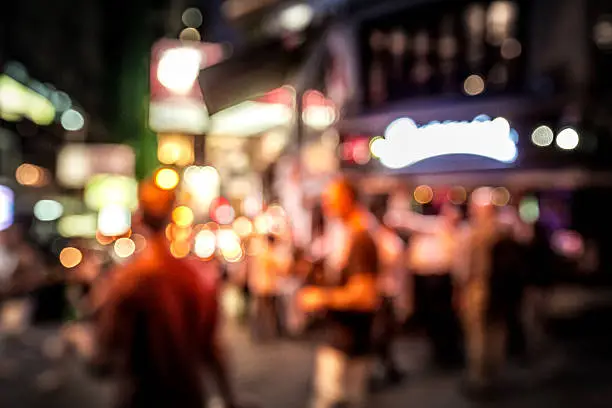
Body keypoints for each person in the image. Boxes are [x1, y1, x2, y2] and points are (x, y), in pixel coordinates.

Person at [89, 178, 246, 408]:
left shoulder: (125, 281)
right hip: (188, 397)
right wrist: (229, 398)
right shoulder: (196, 278)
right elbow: (212, 348)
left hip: (140, 398)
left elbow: (104, 358)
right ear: (173, 215)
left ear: (139, 217)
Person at [299, 177, 379, 408]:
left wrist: (320, 297)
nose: (326, 205)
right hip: (343, 337)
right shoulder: (345, 235)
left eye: (330, 199)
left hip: (348, 341)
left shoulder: (361, 237)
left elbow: (365, 296)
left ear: (348, 200)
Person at [460, 189, 524, 397]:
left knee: (478, 335)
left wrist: (460, 291)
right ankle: (493, 375)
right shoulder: (505, 230)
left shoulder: (474, 233)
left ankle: (481, 378)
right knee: (496, 333)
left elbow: (465, 268)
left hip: (479, 289)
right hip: (501, 292)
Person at [388, 202, 465, 368]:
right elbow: (398, 220)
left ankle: (448, 354)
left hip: (441, 280)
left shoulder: (450, 231)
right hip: (426, 280)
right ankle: (440, 353)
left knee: (444, 319)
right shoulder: (433, 227)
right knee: (433, 319)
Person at [369, 195, 405, 387]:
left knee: (384, 335)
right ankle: (384, 370)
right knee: (380, 335)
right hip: (381, 293)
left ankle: (388, 369)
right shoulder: (380, 238)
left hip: (387, 292)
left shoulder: (382, 237)